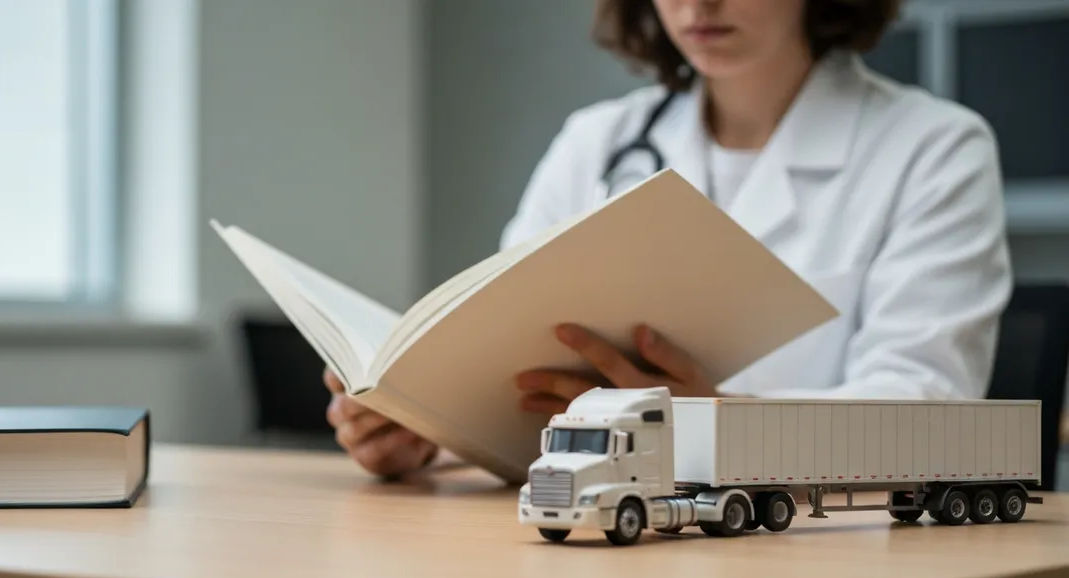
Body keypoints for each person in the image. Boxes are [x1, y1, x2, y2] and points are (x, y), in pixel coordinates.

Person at [324, 0, 1013, 478]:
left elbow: (931, 416)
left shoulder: (934, 148)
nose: (698, 4)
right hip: (600, 545)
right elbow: (507, 384)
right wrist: (427, 432)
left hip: (820, 562)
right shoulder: (598, 142)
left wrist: (723, 427)